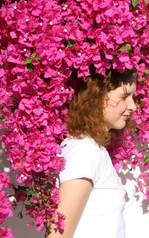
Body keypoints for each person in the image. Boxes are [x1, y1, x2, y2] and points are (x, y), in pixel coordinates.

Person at [45, 66, 137, 238]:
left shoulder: (92, 149)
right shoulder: (85, 151)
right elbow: (58, 235)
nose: (133, 106)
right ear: (97, 96)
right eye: (124, 96)